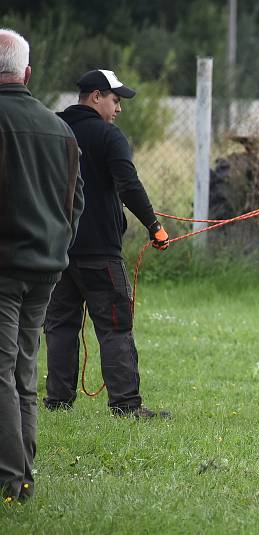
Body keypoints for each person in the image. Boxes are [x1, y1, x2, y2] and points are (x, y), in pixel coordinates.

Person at [43, 68, 171, 420]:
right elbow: (128, 185)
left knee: (60, 325)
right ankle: (126, 406)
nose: (119, 110)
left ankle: (57, 403)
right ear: (96, 96)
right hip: (100, 253)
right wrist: (154, 226)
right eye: (115, 100)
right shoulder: (108, 136)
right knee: (115, 326)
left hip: (55, 250)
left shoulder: (52, 127)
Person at [0, 28, 83, 503]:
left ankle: (12, 478)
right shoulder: (61, 128)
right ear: (27, 72)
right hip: (47, 268)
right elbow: (77, 201)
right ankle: (23, 468)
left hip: (6, 268)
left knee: (2, 373)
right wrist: (59, 246)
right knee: (24, 375)